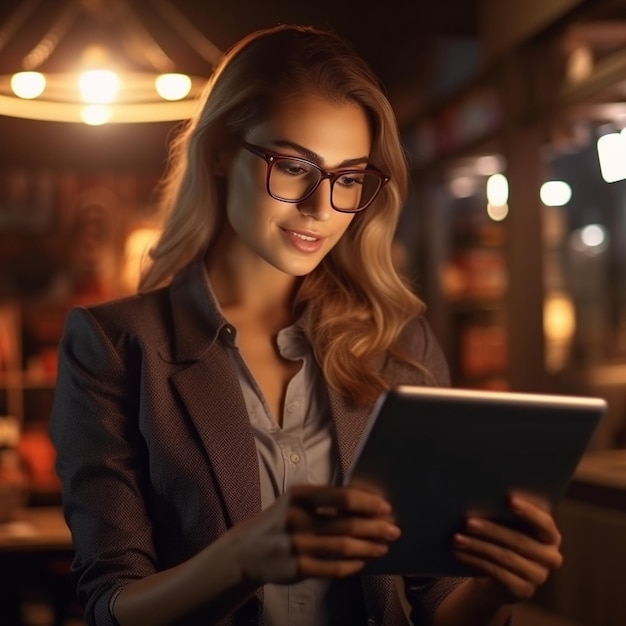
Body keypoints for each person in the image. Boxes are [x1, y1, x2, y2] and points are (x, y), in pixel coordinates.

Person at [50, 24, 563, 626]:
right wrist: (242, 557)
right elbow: (111, 605)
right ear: (219, 151)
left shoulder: (398, 343)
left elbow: (434, 597)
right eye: (294, 166)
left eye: (348, 179)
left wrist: (493, 592)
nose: (321, 208)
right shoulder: (113, 346)